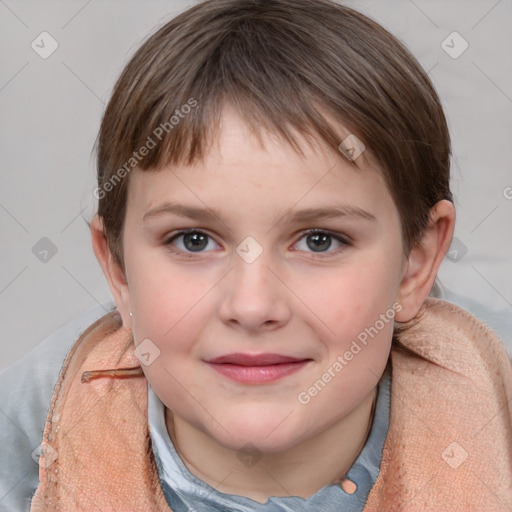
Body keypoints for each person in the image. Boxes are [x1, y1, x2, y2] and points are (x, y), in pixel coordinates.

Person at [1, 0, 511, 510]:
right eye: (193, 240)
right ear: (118, 270)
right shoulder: (31, 445)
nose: (252, 305)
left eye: (319, 240)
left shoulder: (494, 408)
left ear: (415, 264)